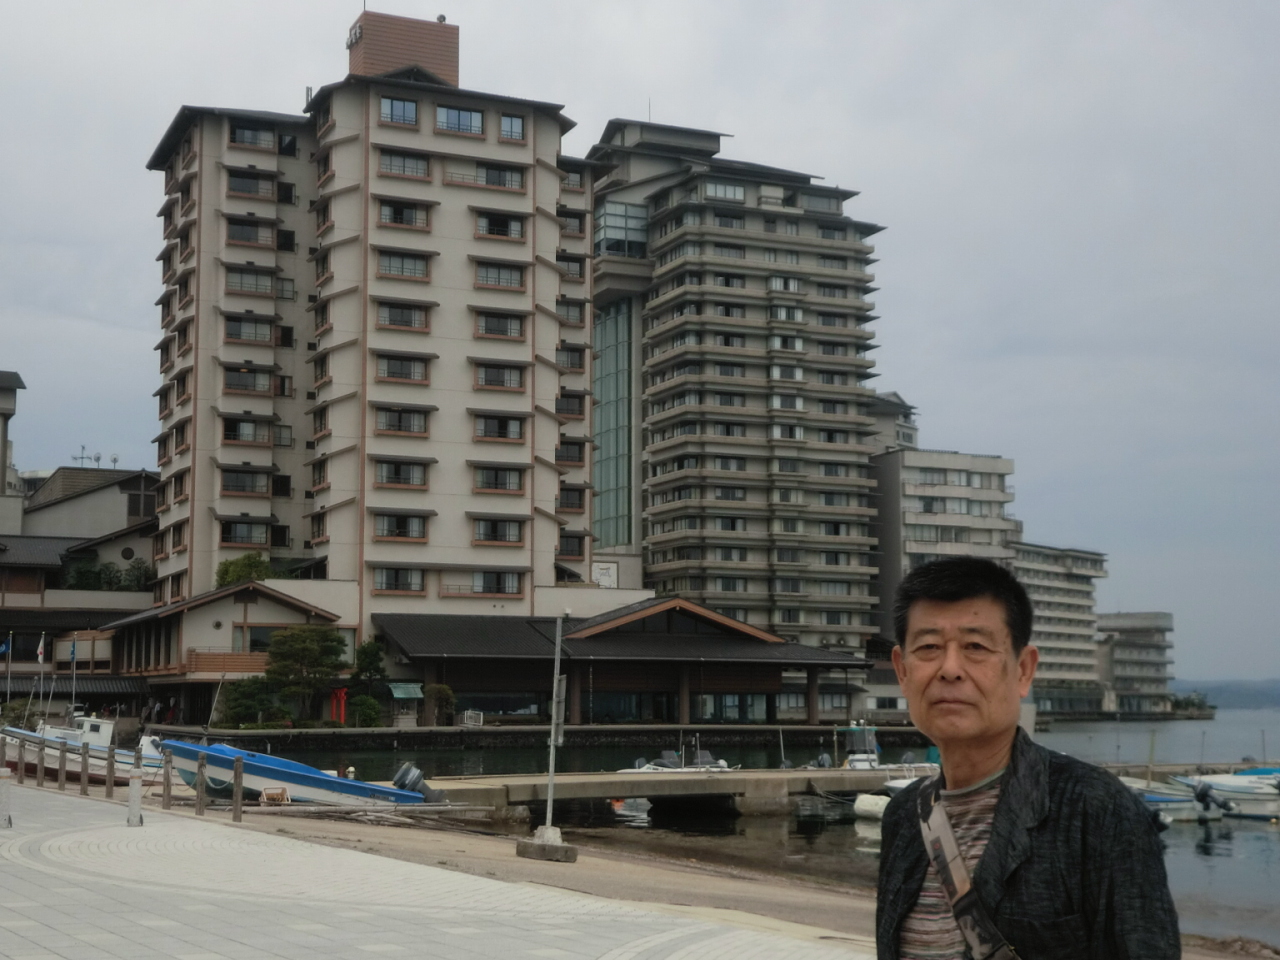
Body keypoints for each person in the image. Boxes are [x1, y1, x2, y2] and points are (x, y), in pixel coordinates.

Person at [876, 557, 1180, 960]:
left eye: (975, 647)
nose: (950, 669)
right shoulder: (902, 817)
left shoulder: (1096, 810)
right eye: (929, 647)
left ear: (1023, 670)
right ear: (902, 671)